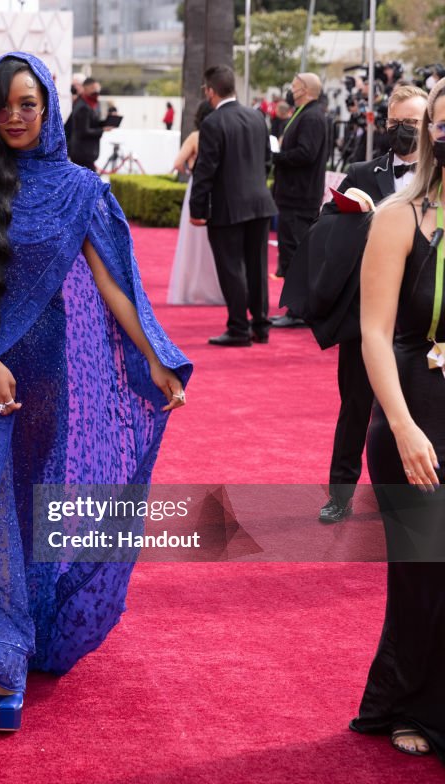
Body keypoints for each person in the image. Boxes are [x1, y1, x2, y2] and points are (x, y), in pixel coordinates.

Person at [0, 52, 191, 733]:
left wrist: (155, 360)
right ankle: (4, 659)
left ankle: (24, 621)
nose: (14, 117)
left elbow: (116, 284)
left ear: (47, 108)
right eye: (2, 105)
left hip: (47, 380)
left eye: (27, 104)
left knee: (31, 501)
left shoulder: (80, 189)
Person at [350, 76, 445, 761]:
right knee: (422, 572)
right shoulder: (398, 216)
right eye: (441, 122)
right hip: (412, 412)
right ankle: (408, 703)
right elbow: (375, 335)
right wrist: (405, 427)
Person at [281, 85, 428, 523]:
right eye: (396, 123)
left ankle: (415, 493)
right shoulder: (363, 170)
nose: (403, 131)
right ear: (386, 125)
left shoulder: (440, 176)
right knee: (356, 407)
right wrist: (352, 210)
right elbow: (324, 224)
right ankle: (340, 494)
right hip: (367, 314)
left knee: (421, 405)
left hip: (423, 313)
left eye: (412, 124)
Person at [190, 64, 278, 347]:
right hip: (260, 203)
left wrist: (197, 210)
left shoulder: (213, 123)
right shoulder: (256, 117)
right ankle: (261, 325)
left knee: (231, 268)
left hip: (228, 208)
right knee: (257, 266)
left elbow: (205, 171)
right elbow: (267, 160)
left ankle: (239, 328)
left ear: (211, 91)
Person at [271, 73, 331, 326]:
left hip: (300, 195)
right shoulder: (308, 113)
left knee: (295, 253)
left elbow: (306, 153)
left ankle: (299, 310)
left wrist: (278, 156)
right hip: (294, 194)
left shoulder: (313, 117)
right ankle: (296, 308)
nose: (290, 90)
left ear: (304, 90)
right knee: (291, 250)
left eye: (294, 86)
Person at [168, 101, 223, 305]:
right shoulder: (220, 133)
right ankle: (217, 288)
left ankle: (193, 288)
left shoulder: (195, 136)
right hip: (218, 189)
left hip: (198, 187)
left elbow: (176, 163)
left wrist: (191, 170)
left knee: (193, 242)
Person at [68, 77, 105, 170]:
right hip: (81, 153)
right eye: (93, 88)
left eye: (97, 88)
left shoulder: (93, 104)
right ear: (85, 88)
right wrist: (102, 130)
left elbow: (93, 123)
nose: (96, 91)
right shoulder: (82, 106)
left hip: (88, 152)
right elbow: (83, 131)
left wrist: (105, 123)